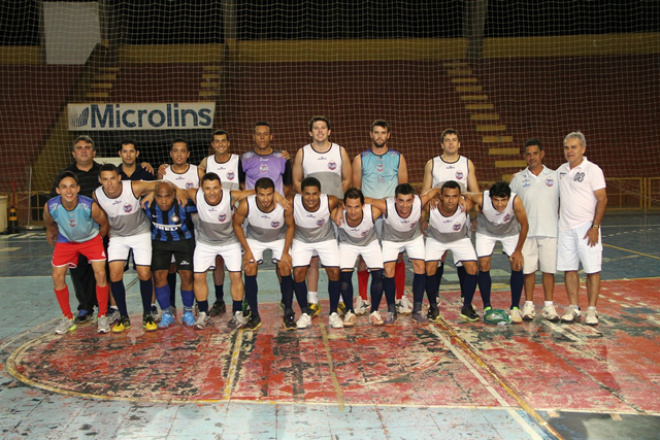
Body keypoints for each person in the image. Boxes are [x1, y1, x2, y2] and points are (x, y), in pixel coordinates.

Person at [94, 163, 169, 332]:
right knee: (114, 274)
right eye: (105, 179)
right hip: (118, 236)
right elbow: (101, 216)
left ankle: (147, 314)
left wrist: (150, 195)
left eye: (113, 178)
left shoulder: (133, 187)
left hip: (140, 234)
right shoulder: (97, 195)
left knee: (144, 273)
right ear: (100, 180)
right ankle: (123, 316)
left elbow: (162, 184)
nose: (109, 183)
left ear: (119, 177)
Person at [177, 173, 257, 330]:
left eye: (215, 188)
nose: (212, 192)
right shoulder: (196, 194)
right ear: (202, 189)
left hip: (229, 242)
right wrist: (178, 191)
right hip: (205, 243)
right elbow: (180, 190)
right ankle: (202, 314)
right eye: (207, 188)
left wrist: (277, 195)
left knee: (235, 275)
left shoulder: (230, 196)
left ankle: (237, 313)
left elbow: (254, 192)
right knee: (198, 276)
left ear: (221, 187)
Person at [292, 116, 352, 317]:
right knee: (312, 259)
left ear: (329, 131)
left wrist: (331, 203)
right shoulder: (303, 152)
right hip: (312, 210)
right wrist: (314, 204)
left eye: (323, 128)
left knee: (338, 256)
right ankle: (312, 299)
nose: (319, 131)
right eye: (316, 128)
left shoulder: (339, 150)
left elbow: (348, 179)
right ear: (310, 132)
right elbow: (296, 181)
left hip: (335, 211)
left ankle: (342, 299)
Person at [352, 120, 411, 315]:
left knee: (398, 256)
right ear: (370, 134)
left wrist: (393, 208)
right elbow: (355, 191)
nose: (379, 136)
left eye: (383, 133)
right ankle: (363, 298)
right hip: (369, 214)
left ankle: (399, 297)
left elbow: (403, 189)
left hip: (392, 215)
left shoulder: (398, 158)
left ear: (389, 135)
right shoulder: (360, 159)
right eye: (376, 133)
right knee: (363, 256)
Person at [44, 171, 111, 334]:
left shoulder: (88, 205)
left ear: (78, 188)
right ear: (58, 190)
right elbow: (48, 223)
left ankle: (102, 315)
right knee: (57, 276)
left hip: (90, 239)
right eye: (64, 187)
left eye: (72, 186)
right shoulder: (51, 206)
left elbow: (103, 223)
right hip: (66, 241)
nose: (69, 191)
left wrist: (96, 241)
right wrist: (52, 232)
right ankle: (67, 318)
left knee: (100, 273)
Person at [366, 183, 442, 324]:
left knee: (420, 267)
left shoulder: (420, 201)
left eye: (408, 201)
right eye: (401, 200)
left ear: (413, 199)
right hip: (391, 240)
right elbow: (365, 200)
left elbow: (437, 190)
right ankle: (391, 311)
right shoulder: (386, 205)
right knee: (388, 271)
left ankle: (417, 310)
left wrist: (460, 198)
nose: (404, 205)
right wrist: (342, 207)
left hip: (413, 238)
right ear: (395, 198)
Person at [50, 136, 103, 324]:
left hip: (98, 230)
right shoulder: (66, 175)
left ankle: (106, 308)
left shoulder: (101, 172)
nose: (83, 151)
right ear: (73, 153)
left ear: (93, 152)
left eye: (87, 147)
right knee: (79, 272)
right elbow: (52, 206)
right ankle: (86, 307)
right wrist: (52, 229)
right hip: (72, 235)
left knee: (101, 271)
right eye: (79, 148)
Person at [421, 128, 479, 299]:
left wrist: (467, 201)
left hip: (460, 216)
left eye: (454, 139)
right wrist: (425, 215)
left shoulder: (467, 163)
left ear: (459, 144)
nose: (451, 143)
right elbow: (425, 192)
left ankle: (464, 296)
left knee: (463, 256)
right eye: (447, 140)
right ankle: (435, 295)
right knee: (438, 256)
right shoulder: (432, 164)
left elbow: (475, 192)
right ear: (442, 144)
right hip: (438, 216)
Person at [557, 132, 607, 326]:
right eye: (566, 148)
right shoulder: (560, 171)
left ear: (583, 149)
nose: (569, 151)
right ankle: (574, 307)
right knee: (570, 269)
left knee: (592, 269)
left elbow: (602, 199)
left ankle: (592, 310)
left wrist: (595, 226)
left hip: (587, 228)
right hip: (565, 228)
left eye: (573, 147)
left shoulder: (593, 170)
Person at [233, 177, 296, 330]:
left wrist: (286, 252)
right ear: (256, 194)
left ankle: (288, 311)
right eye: (262, 195)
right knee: (249, 267)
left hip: (278, 238)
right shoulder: (246, 205)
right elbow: (236, 224)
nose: (266, 199)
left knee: (285, 266)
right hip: (255, 239)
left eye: (269, 194)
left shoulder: (284, 206)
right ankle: (254, 314)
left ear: (274, 193)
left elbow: (290, 227)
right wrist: (247, 251)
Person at [509, 138, 560, 322]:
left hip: (549, 230)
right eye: (528, 154)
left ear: (542, 154)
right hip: (526, 233)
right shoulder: (517, 179)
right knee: (528, 271)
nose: (532, 157)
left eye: (535, 153)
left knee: (548, 271)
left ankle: (548, 306)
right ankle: (529, 304)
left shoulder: (555, 176)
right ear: (524, 156)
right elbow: (508, 204)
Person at [466, 182, 529, 323]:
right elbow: (465, 194)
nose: (500, 204)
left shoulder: (515, 200)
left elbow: (525, 225)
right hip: (486, 231)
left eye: (503, 200)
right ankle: (487, 307)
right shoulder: (482, 198)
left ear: (508, 198)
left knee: (517, 264)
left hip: (509, 232)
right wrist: (476, 209)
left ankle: (514, 308)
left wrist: (518, 251)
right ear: (490, 198)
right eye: (496, 200)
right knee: (483, 264)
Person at [198, 130, 242, 318]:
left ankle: (242, 304)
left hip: (237, 217)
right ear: (213, 144)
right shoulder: (206, 163)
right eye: (217, 141)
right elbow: (197, 173)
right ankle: (219, 300)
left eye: (224, 141)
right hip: (215, 217)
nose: (221, 144)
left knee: (239, 265)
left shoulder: (239, 160)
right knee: (217, 262)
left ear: (229, 143)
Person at [291, 177, 343, 329]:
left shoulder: (330, 201)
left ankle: (333, 313)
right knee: (298, 273)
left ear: (320, 193)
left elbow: (341, 202)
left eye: (314, 194)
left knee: (334, 272)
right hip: (302, 240)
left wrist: (339, 209)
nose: (311, 198)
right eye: (307, 194)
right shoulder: (293, 202)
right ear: (301, 193)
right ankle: (305, 313)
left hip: (325, 239)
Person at [424, 181, 480, 322]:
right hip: (436, 239)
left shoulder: (466, 205)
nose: (450, 200)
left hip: (459, 239)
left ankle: (467, 306)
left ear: (459, 196)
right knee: (429, 268)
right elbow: (420, 199)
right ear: (441, 196)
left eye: (455, 196)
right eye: (447, 196)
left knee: (473, 268)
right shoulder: (431, 206)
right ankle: (432, 306)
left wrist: (464, 196)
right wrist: (435, 191)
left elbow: (476, 196)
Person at [144, 181, 197, 329]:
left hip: (183, 241)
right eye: (159, 197)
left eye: (167, 196)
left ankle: (188, 312)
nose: (163, 200)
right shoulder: (147, 205)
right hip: (160, 242)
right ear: (154, 196)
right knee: (159, 276)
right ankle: (167, 313)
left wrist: (181, 190)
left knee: (187, 276)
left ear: (173, 195)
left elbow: (203, 197)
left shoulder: (184, 204)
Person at [158, 138, 201, 310]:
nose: (179, 154)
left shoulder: (198, 171)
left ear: (188, 154)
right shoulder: (164, 173)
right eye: (175, 150)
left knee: (193, 266)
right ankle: (172, 305)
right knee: (170, 266)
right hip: (171, 226)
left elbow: (204, 196)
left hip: (193, 223)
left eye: (183, 150)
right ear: (170, 153)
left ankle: (198, 303)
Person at [333, 188, 384, 325]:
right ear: (344, 205)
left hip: (369, 243)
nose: (353, 211)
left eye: (357, 207)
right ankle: (350, 311)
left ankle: (374, 311)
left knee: (379, 275)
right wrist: (338, 206)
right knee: (344, 276)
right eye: (349, 207)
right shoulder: (337, 214)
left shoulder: (372, 212)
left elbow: (387, 203)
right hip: (347, 244)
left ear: (363, 205)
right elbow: (328, 202)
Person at [240, 122, 293, 197]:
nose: (262, 137)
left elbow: (288, 185)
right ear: (253, 137)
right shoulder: (244, 159)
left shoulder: (282, 158)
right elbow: (241, 183)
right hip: (253, 206)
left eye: (265, 134)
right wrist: (252, 198)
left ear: (271, 136)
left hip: (276, 206)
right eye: (258, 134)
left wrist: (275, 200)